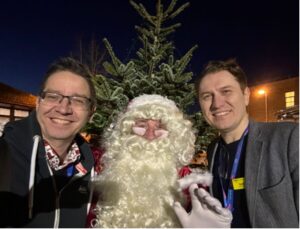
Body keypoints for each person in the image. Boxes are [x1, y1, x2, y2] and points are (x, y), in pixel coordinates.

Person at [188, 58, 298, 227]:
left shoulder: (288, 138)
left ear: (246, 95)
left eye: (226, 91)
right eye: (207, 96)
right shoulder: (213, 149)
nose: (217, 104)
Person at [90, 94, 216, 228]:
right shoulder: (99, 170)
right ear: (126, 131)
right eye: (142, 125)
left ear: (174, 135)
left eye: (159, 127)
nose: (150, 135)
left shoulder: (190, 183)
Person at [0, 57, 97, 227]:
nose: (63, 108)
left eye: (78, 100)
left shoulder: (95, 168)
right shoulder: (5, 154)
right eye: (53, 96)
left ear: (91, 113)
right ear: (38, 102)